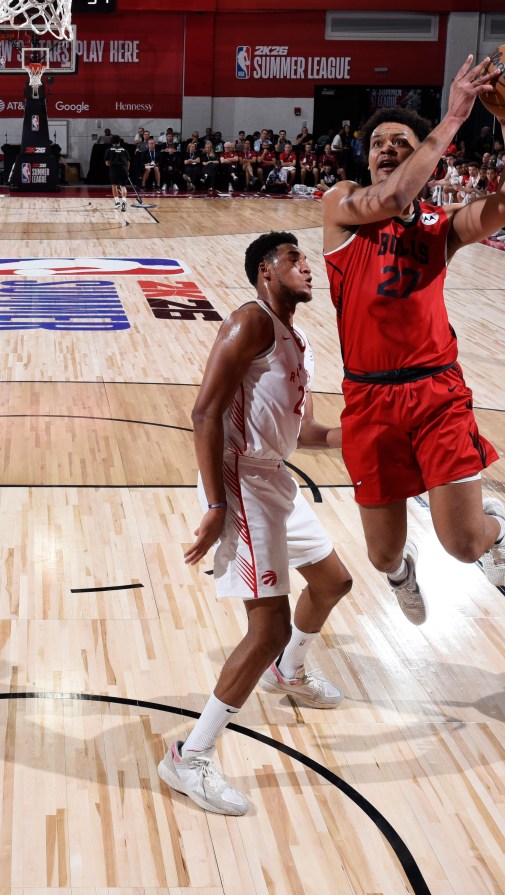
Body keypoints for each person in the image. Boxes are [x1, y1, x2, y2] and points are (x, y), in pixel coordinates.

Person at [321, 56, 505, 625]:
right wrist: (455, 114)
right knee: (382, 551)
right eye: (378, 144)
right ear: (365, 161)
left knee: (464, 545)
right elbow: (389, 200)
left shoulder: (442, 226)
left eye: (401, 142)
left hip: (436, 391)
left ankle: (497, 528)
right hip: (369, 399)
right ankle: (400, 572)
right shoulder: (343, 206)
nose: (387, 148)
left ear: (424, 158)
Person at [158, 232, 352, 815]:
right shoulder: (250, 321)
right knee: (265, 628)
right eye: (293, 258)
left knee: (333, 582)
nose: (306, 265)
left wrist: (368, 439)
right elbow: (204, 411)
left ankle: (288, 675)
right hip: (239, 482)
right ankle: (188, 757)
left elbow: (309, 434)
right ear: (266, 273)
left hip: (272, 478)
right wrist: (216, 504)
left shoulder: (299, 341)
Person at [104, 134, 130, 212]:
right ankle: (124, 202)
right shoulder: (124, 150)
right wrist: (127, 170)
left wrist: (111, 163)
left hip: (114, 169)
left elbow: (107, 163)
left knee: (114, 185)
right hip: (124, 169)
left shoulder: (108, 150)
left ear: (111, 142)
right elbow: (128, 162)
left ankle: (117, 202)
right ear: (119, 141)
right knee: (123, 186)